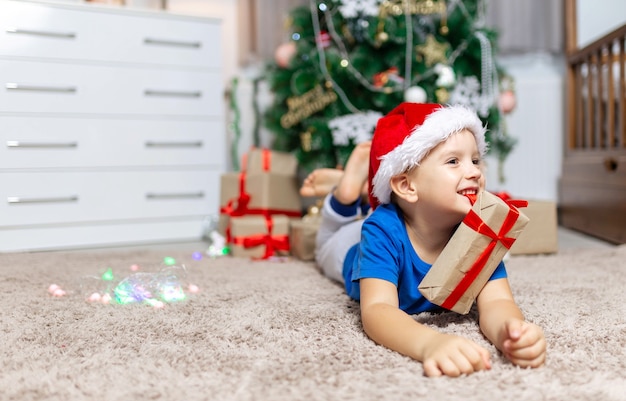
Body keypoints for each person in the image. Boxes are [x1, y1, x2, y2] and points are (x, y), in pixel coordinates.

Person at [301, 103, 546, 377]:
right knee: (326, 241)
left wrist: (511, 332)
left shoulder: (481, 229)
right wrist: (429, 343)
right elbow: (377, 310)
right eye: (454, 161)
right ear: (407, 185)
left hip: (403, 212)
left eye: (475, 160)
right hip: (347, 247)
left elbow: (497, 302)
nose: (475, 172)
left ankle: (359, 191)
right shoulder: (379, 230)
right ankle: (344, 197)